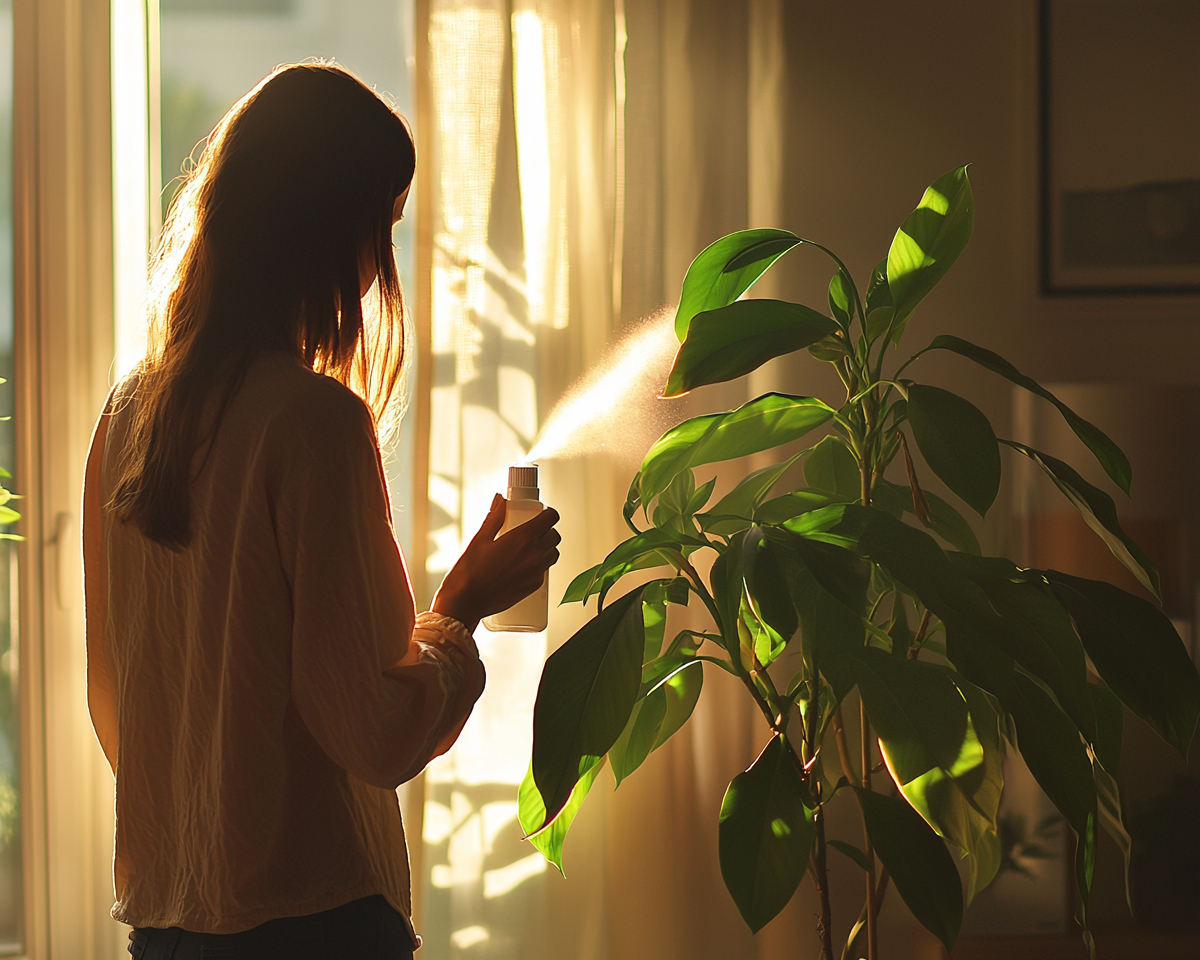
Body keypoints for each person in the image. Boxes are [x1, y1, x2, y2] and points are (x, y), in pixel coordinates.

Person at [82, 63, 560, 960]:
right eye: (381, 224)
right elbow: (374, 733)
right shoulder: (313, 425)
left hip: (168, 926)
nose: (382, 263)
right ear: (329, 230)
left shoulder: (127, 417)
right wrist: (460, 611)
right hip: (315, 925)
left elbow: (119, 700)